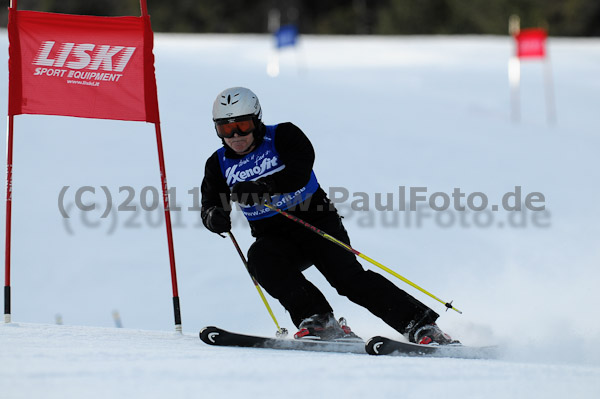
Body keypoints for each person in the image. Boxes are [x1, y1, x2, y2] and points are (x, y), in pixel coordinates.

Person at [201, 87, 458, 344]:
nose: (235, 135)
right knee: (260, 259)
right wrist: (214, 217)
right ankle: (319, 321)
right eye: (225, 129)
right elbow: (211, 204)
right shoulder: (219, 163)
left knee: (348, 280)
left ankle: (421, 324)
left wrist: (263, 187)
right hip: (275, 237)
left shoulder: (284, 135)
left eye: (243, 126)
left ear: (257, 120)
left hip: (315, 222)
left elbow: (300, 171)